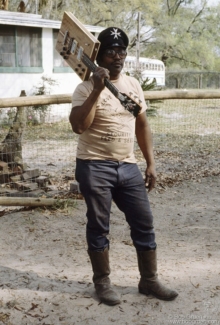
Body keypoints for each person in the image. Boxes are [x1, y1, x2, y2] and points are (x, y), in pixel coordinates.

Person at [69, 27, 178, 306]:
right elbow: (79, 126)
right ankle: (102, 283)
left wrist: (151, 163)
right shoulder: (83, 88)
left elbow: (142, 124)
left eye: (121, 51)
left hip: (128, 167)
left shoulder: (133, 85)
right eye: (110, 52)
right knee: (99, 225)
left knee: (144, 223)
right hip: (94, 166)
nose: (117, 57)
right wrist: (96, 88)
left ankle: (149, 280)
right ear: (100, 56)